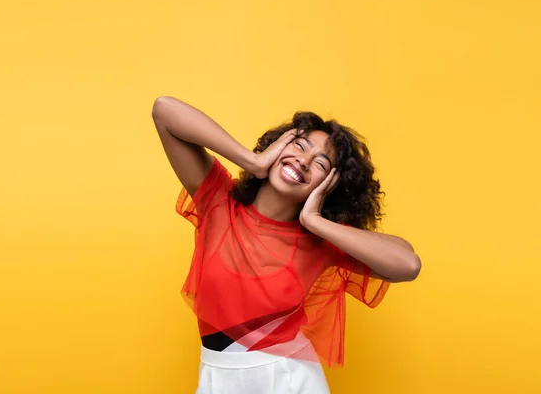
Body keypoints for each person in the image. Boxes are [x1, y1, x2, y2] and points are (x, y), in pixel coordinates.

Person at [152, 96, 421, 394]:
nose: (303, 161)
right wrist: (252, 161)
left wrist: (316, 221)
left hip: (289, 380)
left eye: (321, 163)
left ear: (330, 185)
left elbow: (408, 265)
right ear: (277, 145)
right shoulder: (218, 200)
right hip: (216, 377)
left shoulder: (322, 243)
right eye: (299, 146)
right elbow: (164, 110)